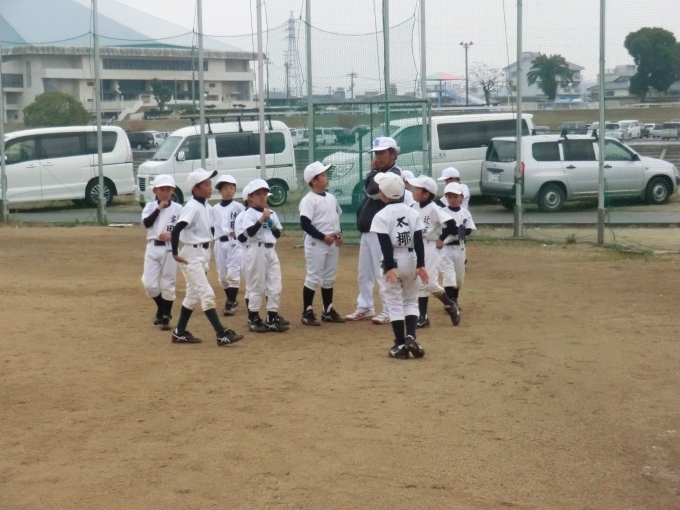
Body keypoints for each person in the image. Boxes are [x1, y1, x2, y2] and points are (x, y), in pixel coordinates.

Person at [170, 168, 244, 346]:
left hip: (202, 253)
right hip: (191, 255)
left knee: (192, 296)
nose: (210, 187)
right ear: (195, 189)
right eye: (205, 185)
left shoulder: (206, 206)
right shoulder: (192, 206)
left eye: (210, 184)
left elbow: (210, 229)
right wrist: (174, 253)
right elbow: (177, 228)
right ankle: (221, 333)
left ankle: (179, 332)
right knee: (207, 293)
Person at [370, 172, 429, 359]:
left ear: (383, 194)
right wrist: (421, 264)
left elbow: (385, 244)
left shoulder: (381, 215)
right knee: (410, 300)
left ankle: (401, 345)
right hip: (411, 258)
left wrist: (389, 267)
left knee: (395, 303)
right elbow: (418, 241)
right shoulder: (413, 212)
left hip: (393, 260)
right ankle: (411, 336)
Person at [346, 136, 402, 325]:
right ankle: (365, 306)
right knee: (364, 273)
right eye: (376, 153)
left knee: (382, 272)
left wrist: (372, 172)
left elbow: (371, 190)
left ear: (393, 154)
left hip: (382, 232)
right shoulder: (380, 172)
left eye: (382, 153)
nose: (377, 157)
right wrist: (375, 172)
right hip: (368, 230)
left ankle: (389, 308)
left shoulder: (394, 174)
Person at [406, 175, 461, 328]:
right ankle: (423, 317)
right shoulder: (414, 207)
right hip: (417, 245)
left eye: (417, 189)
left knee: (430, 283)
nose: (413, 191)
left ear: (425, 194)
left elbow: (452, 224)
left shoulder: (434, 208)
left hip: (429, 246)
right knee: (420, 283)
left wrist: (441, 238)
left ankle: (450, 304)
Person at [240, 179, 290, 333]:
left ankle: (271, 318)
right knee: (257, 286)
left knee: (275, 285)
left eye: (264, 193)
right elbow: (249, 233)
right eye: (258, 194)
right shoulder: (249, 214)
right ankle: (253, 318)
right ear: (250, 197)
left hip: (271, 250)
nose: (262, 197)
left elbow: (277, 234)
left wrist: (269, 220)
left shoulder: (271, 213)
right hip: (257, 250)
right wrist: (262, 219)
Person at [299, 161, 346, 326]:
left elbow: (335, 218)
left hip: (332, 242)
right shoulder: (308, 200)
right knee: (313, 276)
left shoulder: (331, 197)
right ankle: (307, 312)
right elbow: (305, 224)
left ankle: (328, 311)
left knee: (329, 277)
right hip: (316, 243)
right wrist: (322, 237)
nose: (327, 177)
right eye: (323, 175)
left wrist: (339, 234)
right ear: (314, 181)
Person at [140, 174, 183, 331]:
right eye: (162, 189)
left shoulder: (178, 209)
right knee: (149, 284)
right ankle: (161, 308)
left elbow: (185, 228)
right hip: (152, 246)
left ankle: (166, 316)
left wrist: (172, 234)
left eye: (168, 189)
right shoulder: (150, 206)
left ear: (173, 191)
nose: (165, 193)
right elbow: (146, 223)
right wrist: (159, 208)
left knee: (168, 282)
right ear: (155, 191)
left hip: (170, 248)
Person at [436, 182, 476, 319]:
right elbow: (447, 229)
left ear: (461, 197)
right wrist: (457, 229)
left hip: (460, 247)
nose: (452, 199)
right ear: (446, 198)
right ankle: (449, 303)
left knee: (459, 278)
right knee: (448, 275)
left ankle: (455, 298)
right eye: (449, 196)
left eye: (455, 196)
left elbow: (469, 228)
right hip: (445, 248)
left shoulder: (465, 213)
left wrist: (464, 230)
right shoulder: (442, 212)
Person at [211, 175, 245, 317]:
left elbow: (245, 222)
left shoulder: (239, 207)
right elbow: (212, 226)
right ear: (220, 191)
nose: (229, 191)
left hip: (234, 243)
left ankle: (230, 303)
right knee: (222, 277)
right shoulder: (214, 209)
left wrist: (239, 232)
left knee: (233, 273)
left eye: (231, 188)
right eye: (225, 188)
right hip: (219, 243)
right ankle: (232, 298)